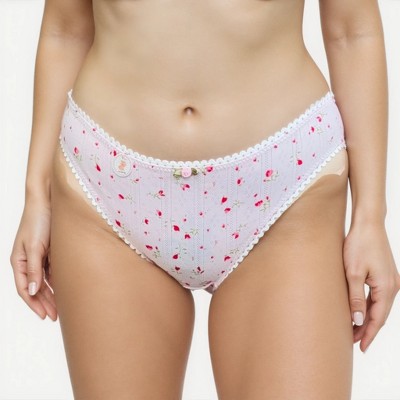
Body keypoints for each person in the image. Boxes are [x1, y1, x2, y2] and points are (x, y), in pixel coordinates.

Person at [10, 0, 400, 398]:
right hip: (108, 187)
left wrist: (370, 217)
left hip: (283, 188)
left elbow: (352, 31)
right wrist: (36, 196)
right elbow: (65, 30)